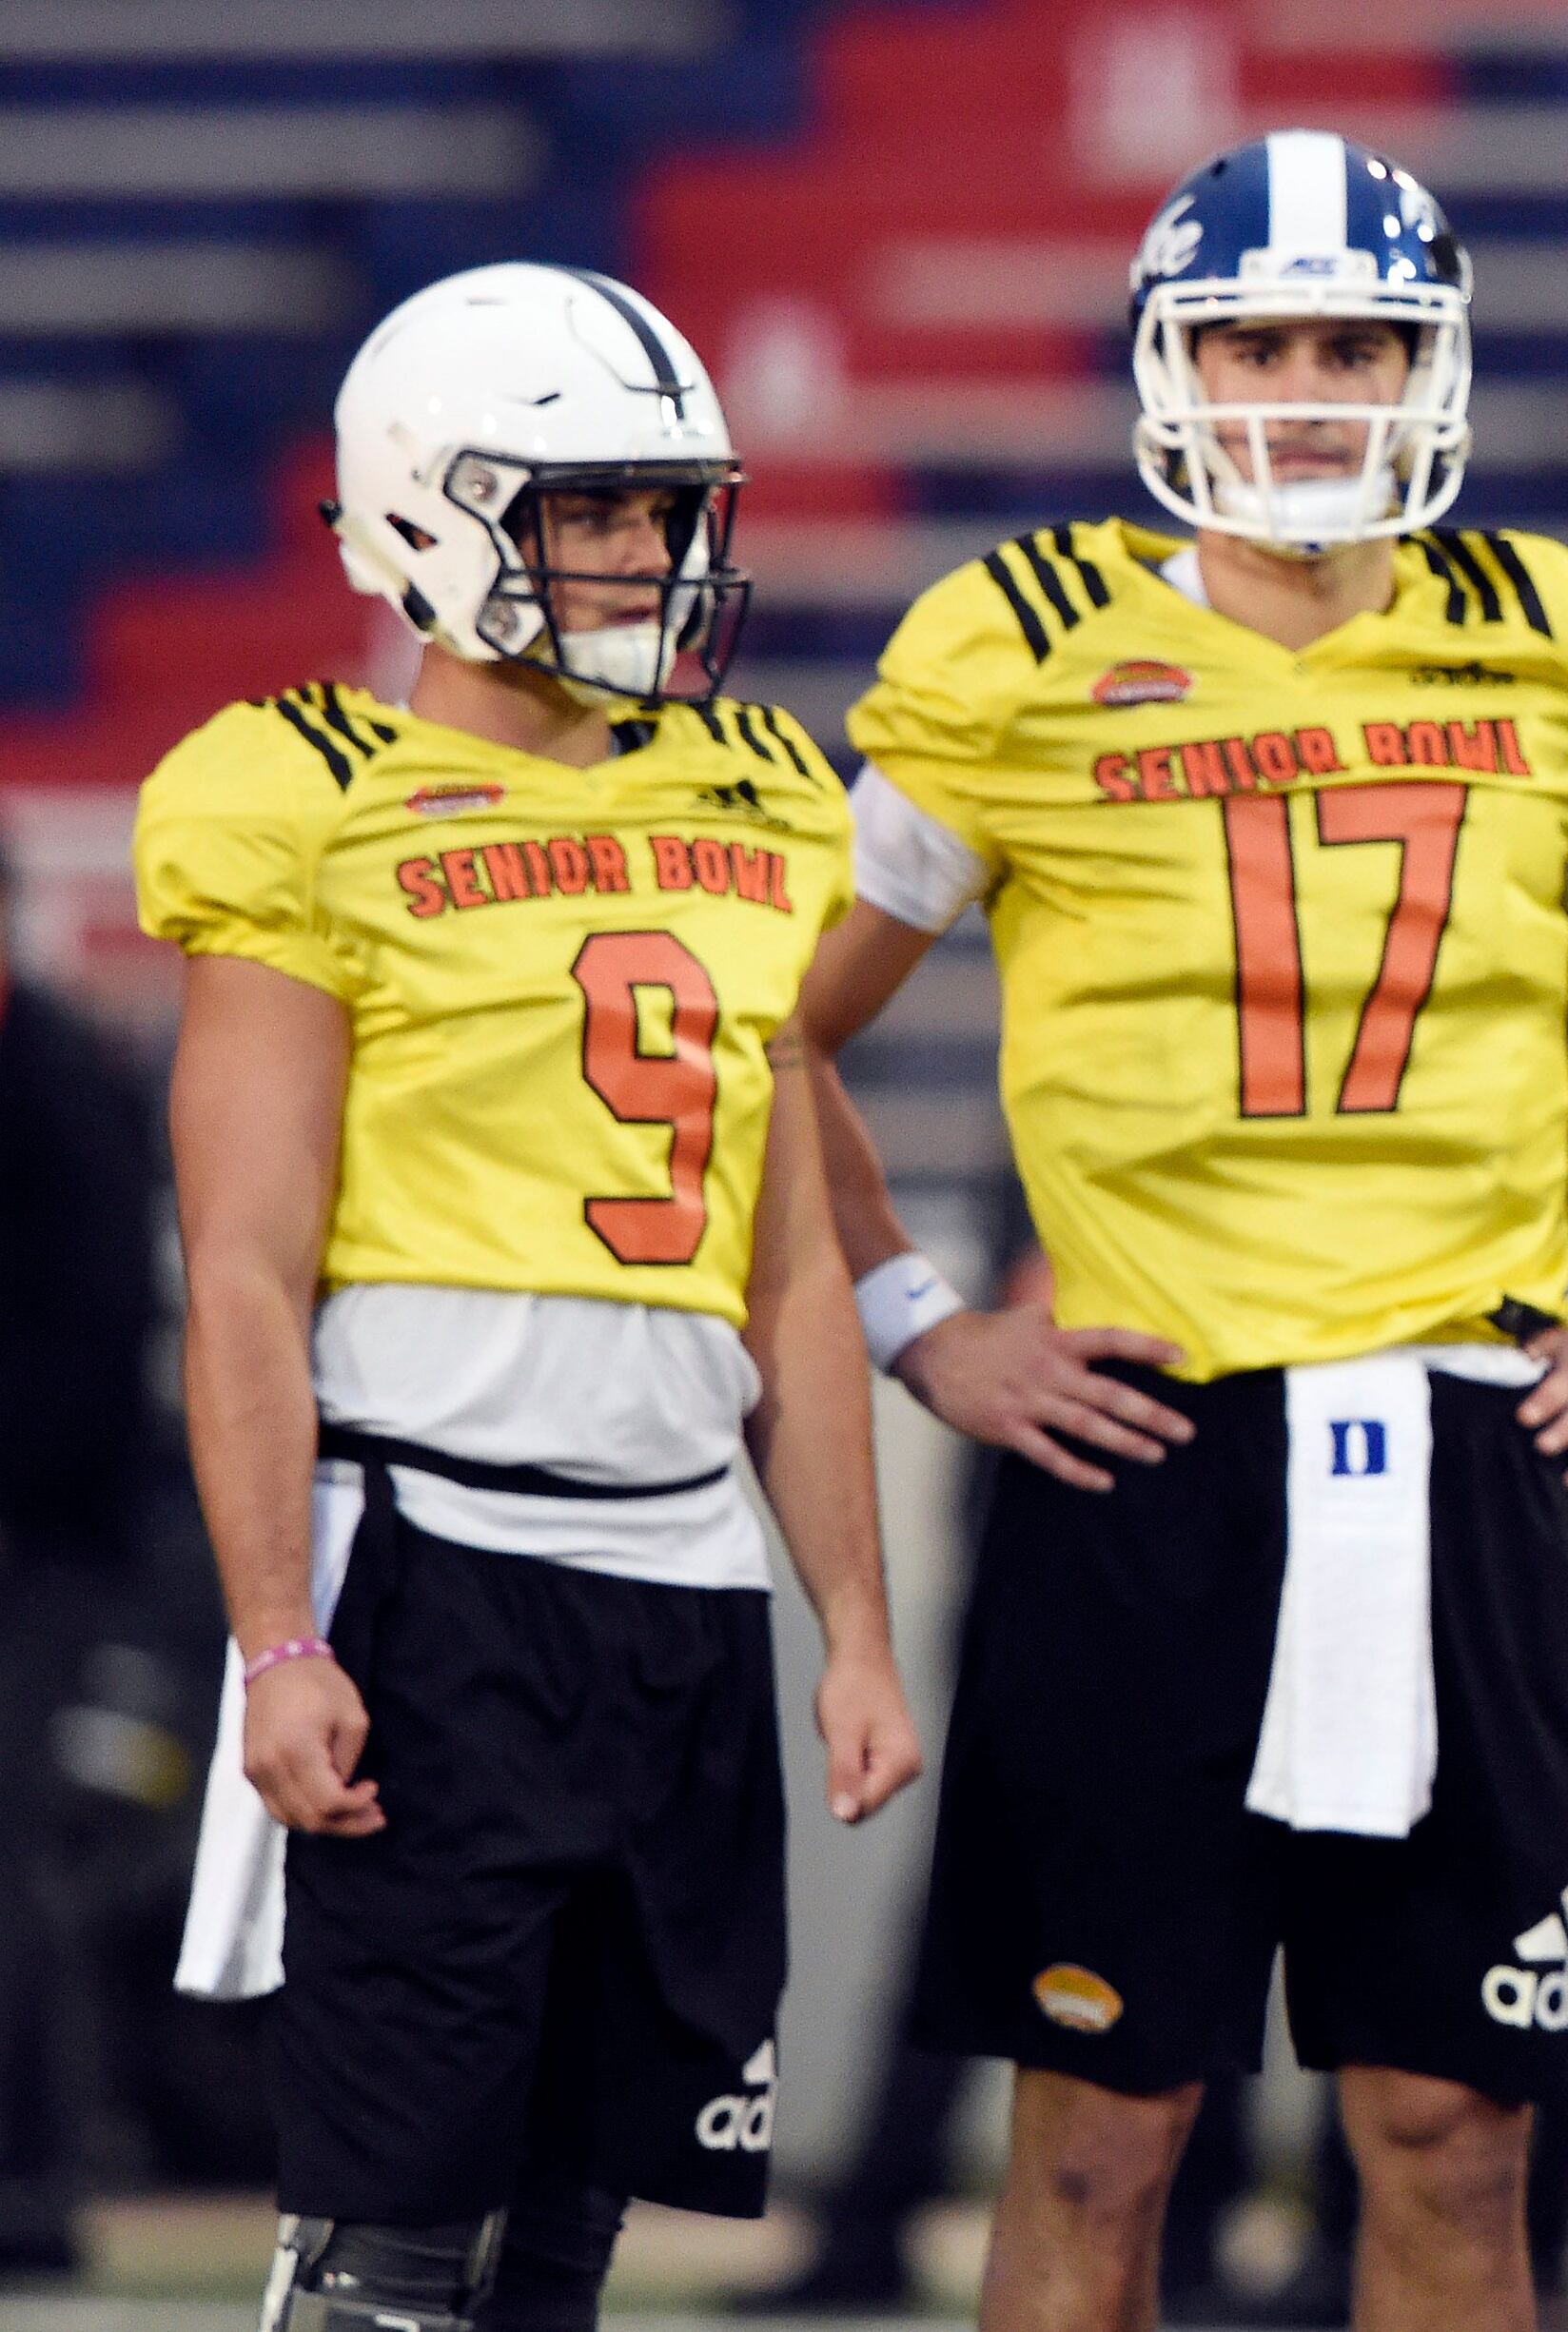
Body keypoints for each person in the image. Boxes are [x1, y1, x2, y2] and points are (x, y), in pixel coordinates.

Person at [790, 129, 1568, 2332]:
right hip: (1148, 1443)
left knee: (1454, 2128)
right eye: (1258, 342)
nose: (1306, 390)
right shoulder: (1017, 650)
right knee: (1099, 2131)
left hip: (1464, 1438)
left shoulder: (1560, 647)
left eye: (1355, 345)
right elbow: (777, 1023)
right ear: (1174, 363)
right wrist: (922, 1320)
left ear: (1431, 367)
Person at [139, 262, 923, 2332]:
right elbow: (242, 1269)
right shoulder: (294, 793)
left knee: (571, 2234)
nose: (645, 556)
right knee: (392, 2252)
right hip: (435, 1568)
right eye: (590, 510)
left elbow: (789, 1270)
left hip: (682, 1591)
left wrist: (851, 1620)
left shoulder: (759, 784)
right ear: (428, 508)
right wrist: (276, 1634)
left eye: (662, 511)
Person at [0, 833, 163, 2279]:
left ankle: (35, 2180)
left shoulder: (56, 1081)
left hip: (42, 1539)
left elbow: (99, 1338)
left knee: (12, 1849)